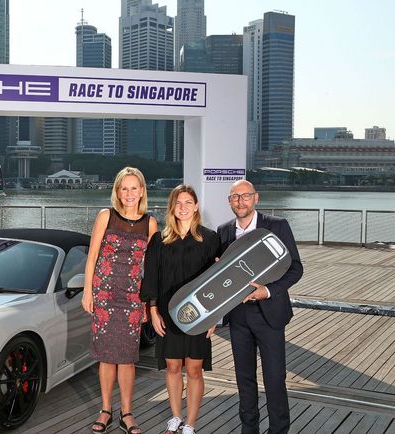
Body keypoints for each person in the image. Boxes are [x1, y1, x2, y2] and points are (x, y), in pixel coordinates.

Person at [217, 179, 303, 434]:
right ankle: (249, 430)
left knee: (275, 379)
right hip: (238, 316)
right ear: (229, 201)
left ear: (256, 198)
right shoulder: (223, 231)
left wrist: (268, 291)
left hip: (270, 314)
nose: (240, 201)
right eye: (235, 197)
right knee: (244, 380)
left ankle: (278, 430)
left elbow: (296, 268)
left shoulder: (277, 226)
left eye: (245, 196)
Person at [82, 166, 157, 434]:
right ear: (117, 191)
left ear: (141, 191)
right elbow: (91, 257)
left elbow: (152, 266)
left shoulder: (150, 223)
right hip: (104, 296)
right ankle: (105, 410)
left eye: (134, 188)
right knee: (106, 357)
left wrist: (149, 302)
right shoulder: (106, 216)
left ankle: (127, 413)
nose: (129, 193)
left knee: (126, 358)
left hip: (133, 299)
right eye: (124, 188)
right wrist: (87, 291)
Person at [141, 185, 219, 434]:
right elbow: (151, 276)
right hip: (167, 313)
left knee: (194, 369)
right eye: (178, 203)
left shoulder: (210, 239)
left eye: (188, 202)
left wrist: (214, 315)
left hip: (199, 314)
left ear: (196, 206)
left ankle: (191, 424)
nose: (183, 207)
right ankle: (175, 417)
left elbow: (218, 282)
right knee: (173, 367)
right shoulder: (159, 240)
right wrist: (153, 311)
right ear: (172, 208)